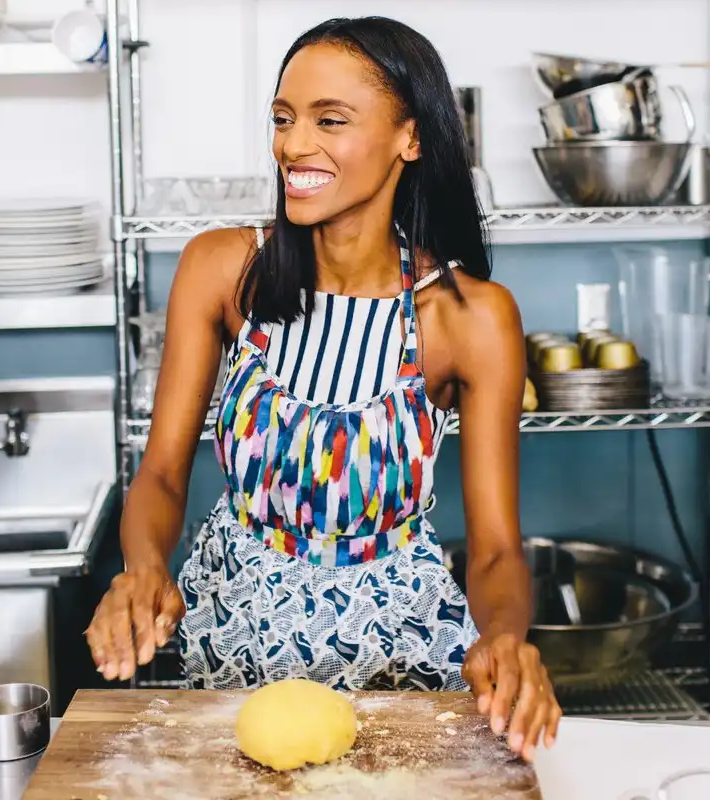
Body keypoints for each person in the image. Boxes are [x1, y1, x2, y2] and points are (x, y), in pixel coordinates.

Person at [85, 15, 561, 762]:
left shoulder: (469, 318)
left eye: (329, 120)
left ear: (411, 138)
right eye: (283, 118)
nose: (293, 145)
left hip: (402, 660)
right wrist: (143, 568)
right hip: (233, 641)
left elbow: (497, 550)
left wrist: (503, 640)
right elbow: (161, 473)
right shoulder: (224, 270)